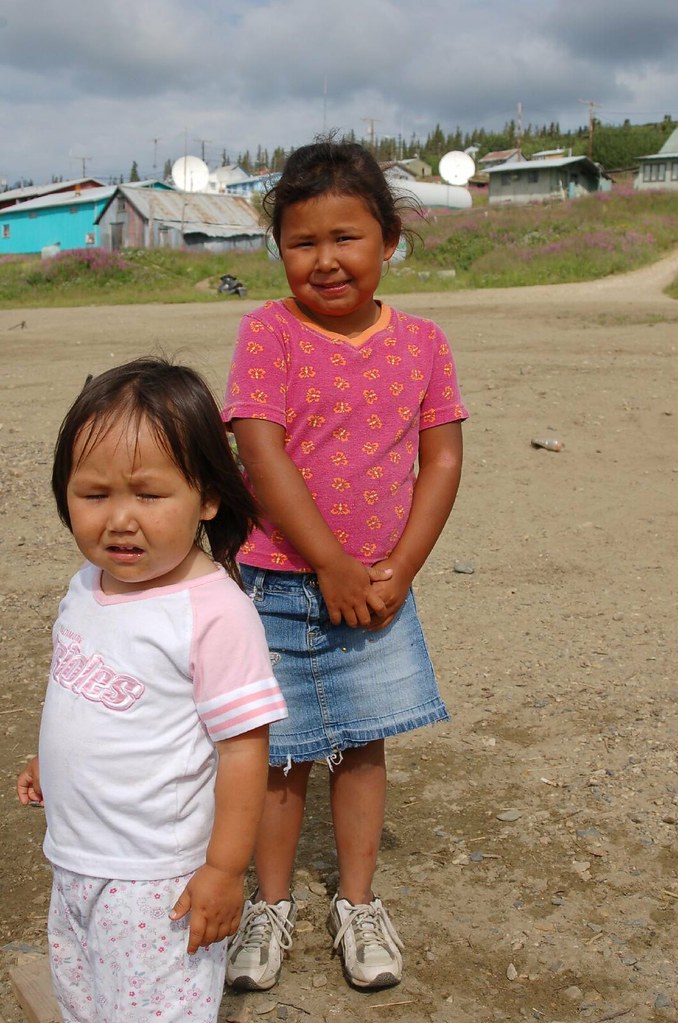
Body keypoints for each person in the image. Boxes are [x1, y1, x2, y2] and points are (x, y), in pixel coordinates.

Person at [221, 138, 467, 992]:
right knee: (278, 754)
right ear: (279, 249)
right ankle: (271, 903)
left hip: (377, 592)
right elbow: (262, 448)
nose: (325, 260)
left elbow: (440, 461)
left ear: (389, 238)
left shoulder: (426, 342)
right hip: (280, 586)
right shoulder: (268, 332)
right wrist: (326, 562)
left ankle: (357, 903)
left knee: (363, 746)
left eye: (346, 237)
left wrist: (398, 567)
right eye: (301, 242)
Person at [16, 357, 287, 1023]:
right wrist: (50, 759)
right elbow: (83, 689)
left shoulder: (214, 613)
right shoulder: (87, 585)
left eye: (149, 494)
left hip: (156, 878)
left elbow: (244, 749)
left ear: (208, 495)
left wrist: (224, 870)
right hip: (76, 858)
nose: (120, 519)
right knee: (85, 1001)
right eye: (95, 494)